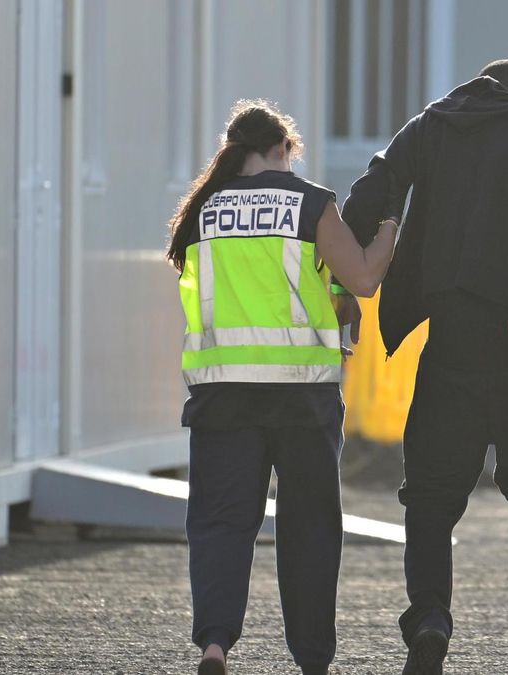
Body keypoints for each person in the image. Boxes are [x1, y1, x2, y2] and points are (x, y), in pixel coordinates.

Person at [342, 60, 508, 675]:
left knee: (429, 500)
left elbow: (369, 193)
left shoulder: (427, 129)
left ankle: (429, 619)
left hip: (450, 345)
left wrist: (347, 277)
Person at [165, 100, 399, 675]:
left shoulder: (202, 210)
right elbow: (364, 277)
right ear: (283, 149)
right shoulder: (309, 202)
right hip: (302, 395)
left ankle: (215, 644)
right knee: (309, 528)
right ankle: (312, 660)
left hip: (222, 394)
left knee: (220, 523)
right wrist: (391, 226)